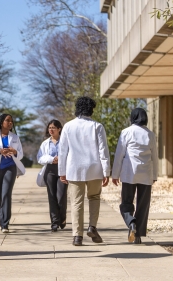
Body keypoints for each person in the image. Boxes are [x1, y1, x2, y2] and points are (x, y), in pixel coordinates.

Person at [58, 96, 110, 246]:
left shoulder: (68, 126)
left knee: (76, 202)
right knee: (94, 197)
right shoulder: (97, 126)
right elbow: (103, 151)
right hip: (94, 168)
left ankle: (77, 236)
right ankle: (92, 227)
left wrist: (62, 171)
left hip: (74, 168)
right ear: (91, 109)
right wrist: (106, 171)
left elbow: (62, 152)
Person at [112, 108, 158, 244]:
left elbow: (119, 155)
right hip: (146, 172)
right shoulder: (150, 134)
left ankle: (131, 222)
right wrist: (155, 174)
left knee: (126, 202)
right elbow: (154, 156)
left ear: (132, 117)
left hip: (129, 172)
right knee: (143, 204)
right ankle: (137, 234)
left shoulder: (126, 132)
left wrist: (115, 174)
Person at [0, 114, 26, 233]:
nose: (10, 123)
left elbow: (21, 154)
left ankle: (5, 224)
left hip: (10, 168)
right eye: (7, 121)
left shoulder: (15, 137)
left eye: (11, 121)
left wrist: (14, 152)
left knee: (6, 194)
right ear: (1, 122)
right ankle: (0, 218)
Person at [37, 120, 68, 232]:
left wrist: (61, 159)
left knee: (61, 196)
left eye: (54, 127)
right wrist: (52, 159)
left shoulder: (65, 141)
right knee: (52, 197)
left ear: (59, 129)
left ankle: (62, 218)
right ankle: (54, 222)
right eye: (49, 127)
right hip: (50, 170)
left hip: (63, 171)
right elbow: (40, 158)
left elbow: (70, 154)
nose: (51, 130)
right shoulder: (45, 143)